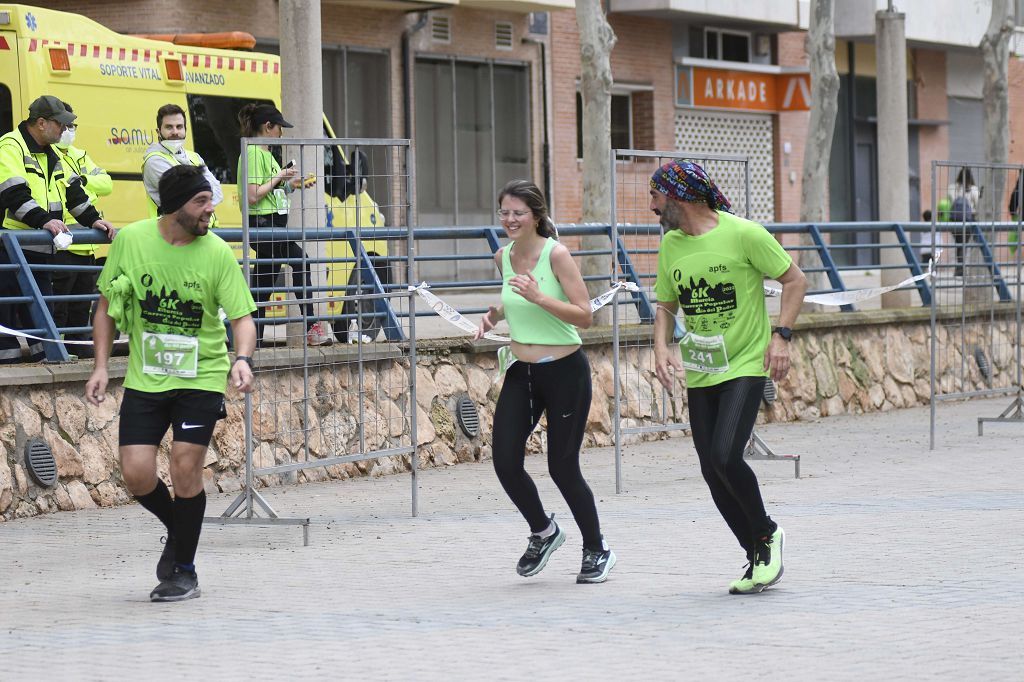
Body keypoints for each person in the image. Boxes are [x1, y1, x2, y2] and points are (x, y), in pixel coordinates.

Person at [85, 164, 257, 602]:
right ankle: (179, 531)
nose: (210, 209)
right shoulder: (132, 241)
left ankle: (184, 571)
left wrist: (241, 359)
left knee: (184, 466)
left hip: (200, 376)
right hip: (147, 377)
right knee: (137, 474)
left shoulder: (217, 252)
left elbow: (242, 317)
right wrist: (101, 366)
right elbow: (104, 307)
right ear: (174, 204)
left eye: (210, 201)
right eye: (201, 201)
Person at [649, 160, 807, 595]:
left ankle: (767, 532)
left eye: (656, 195)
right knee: (710, 469)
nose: (651, 206)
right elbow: (666, 304)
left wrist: (782, 337)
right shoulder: (671, 245)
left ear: (679, 196)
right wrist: (661, 346)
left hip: (745, 364)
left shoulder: (744, 234)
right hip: (702, 369)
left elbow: (795, 280)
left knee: (724, 456)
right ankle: (756, 550)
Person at [475, 180, 615, 584]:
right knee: (504, 460)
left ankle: (597, 550)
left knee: (562, 467)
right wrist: (495, 314)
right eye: (504, 212)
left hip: (565, 371)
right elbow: (511, 297)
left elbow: (585, 315)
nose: (509, 219)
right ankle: (544, 531)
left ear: (536, 215)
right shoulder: (503, 256)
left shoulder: (556, 255)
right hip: (522, 370)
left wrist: (538, 299)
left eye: (518, 212)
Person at [0, 95, 115, 364]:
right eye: (60, 124)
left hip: (38, 249)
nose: (64, 130)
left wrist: (94, 220)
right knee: (8, 318)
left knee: (41, 316)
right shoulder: (10, 146)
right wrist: (44, 220)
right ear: (41, 123)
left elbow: (74, 194)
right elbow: (14, 194)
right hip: (10, 249)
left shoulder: (52, 154)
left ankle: (45, 362)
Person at [236, 103, 331, 346]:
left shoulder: (263, 154)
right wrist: (281, 177)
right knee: (301, 260)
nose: (281, 133)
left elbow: (269, 192)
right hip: (264, 226)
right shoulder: (253, 152)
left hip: (271, 225)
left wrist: (291, 185)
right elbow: (253, 195)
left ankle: (250, 340)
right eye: (279, 128)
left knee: (262, 286)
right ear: (268, 127)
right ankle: (312, 327)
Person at [51, 101, 114, 356]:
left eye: (72, 125)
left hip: (87, 244)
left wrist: (84, 180)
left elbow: (107, 183)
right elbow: (66, 187)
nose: (69, 130)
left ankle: (78, 348)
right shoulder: (48, 154)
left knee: (81, 304)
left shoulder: (79, 154)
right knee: (60, 306)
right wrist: (84, 186)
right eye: (65, 125)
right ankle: (57, 351)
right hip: (64, 242)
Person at [142, 103, 223, 221]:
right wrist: (203, 193)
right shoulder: (154, 161)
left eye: (179, 127)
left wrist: (197, 194)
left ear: (185, 129)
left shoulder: (194, 157)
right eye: (169, 127)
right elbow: (182, 197)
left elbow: (217, 193)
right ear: (158, 131)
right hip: (173, 233)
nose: (175, 132)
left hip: (202, 230)